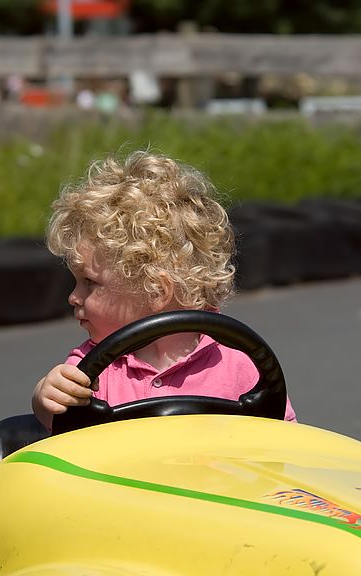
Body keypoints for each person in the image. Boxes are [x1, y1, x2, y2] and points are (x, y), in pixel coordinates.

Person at [31, 150, 297, 430]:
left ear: (156, 290)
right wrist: (45, 396)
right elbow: (59, 421)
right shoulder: (92, 368)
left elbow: (281, 439)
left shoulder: (237, 363)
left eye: (90, 283)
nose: (73, 297)